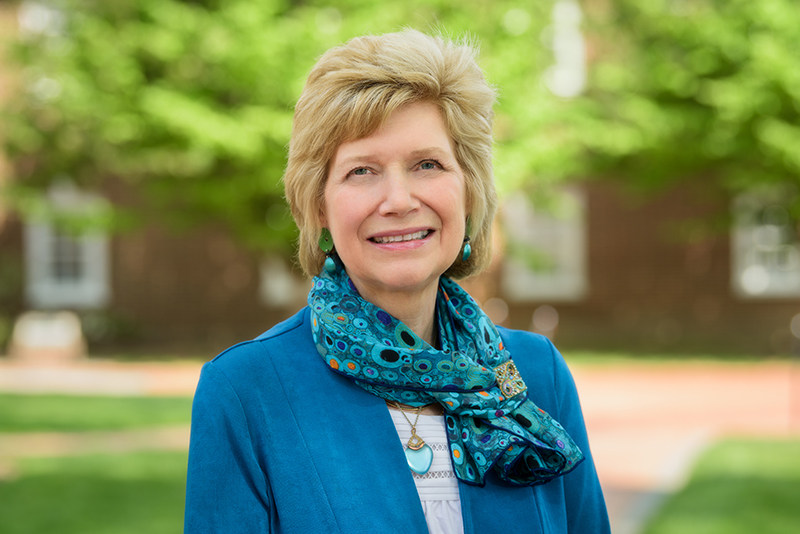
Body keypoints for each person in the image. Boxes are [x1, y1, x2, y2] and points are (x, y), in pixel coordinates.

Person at [184, 30, 611, 534]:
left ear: (469, 190)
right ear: (318, 207)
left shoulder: (536, 373)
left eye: (427, 164)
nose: (399, 200)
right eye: (362, 171)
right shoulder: (245, 390)